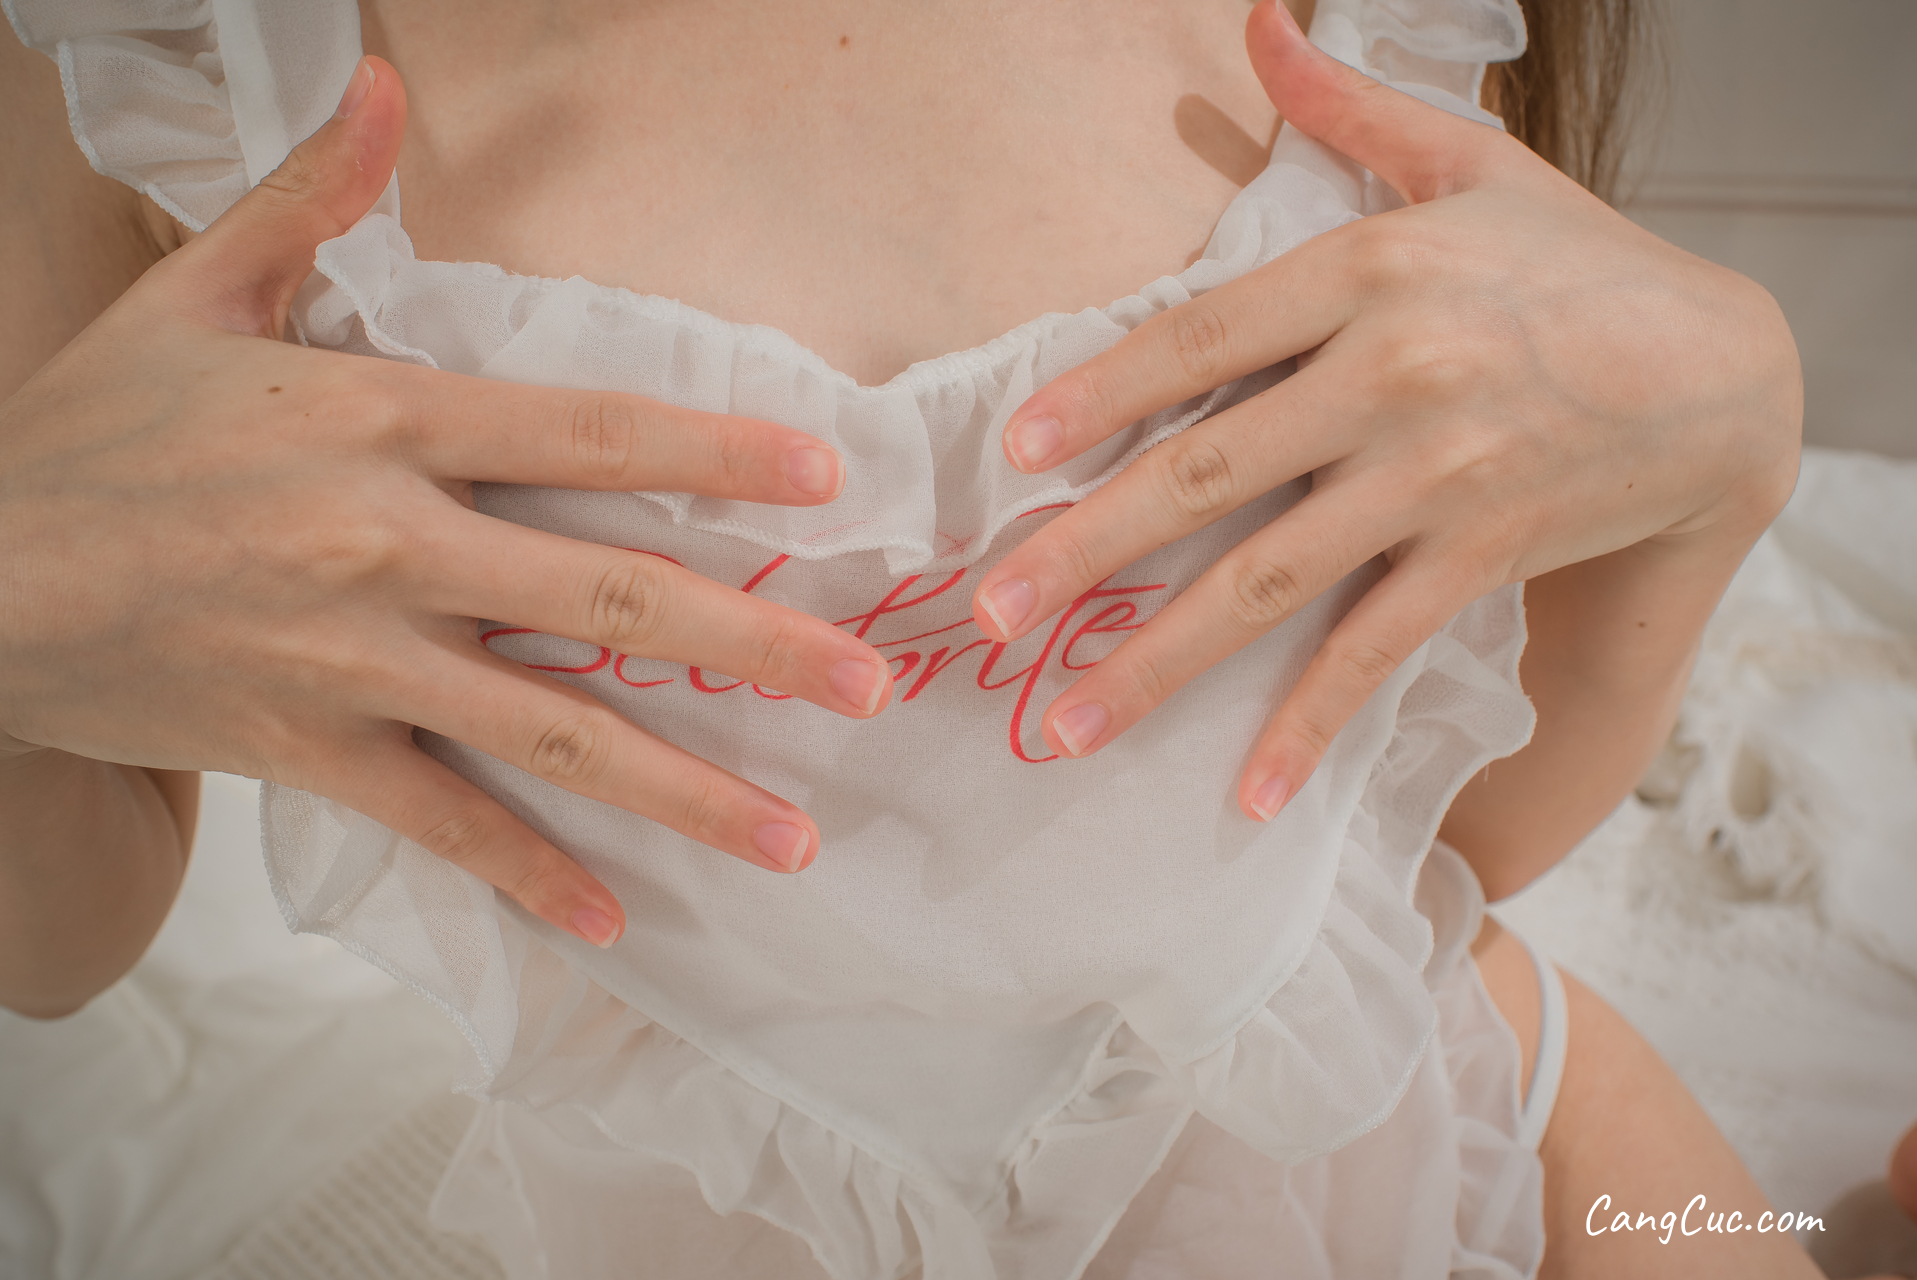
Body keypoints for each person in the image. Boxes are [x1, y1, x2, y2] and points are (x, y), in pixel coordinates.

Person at [0, 0, 1827, 1276]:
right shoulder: (167, 66)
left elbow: (1437, 840)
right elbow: (67, 944)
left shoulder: (1368, 38)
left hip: (1477, 1149)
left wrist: (1731, 447)